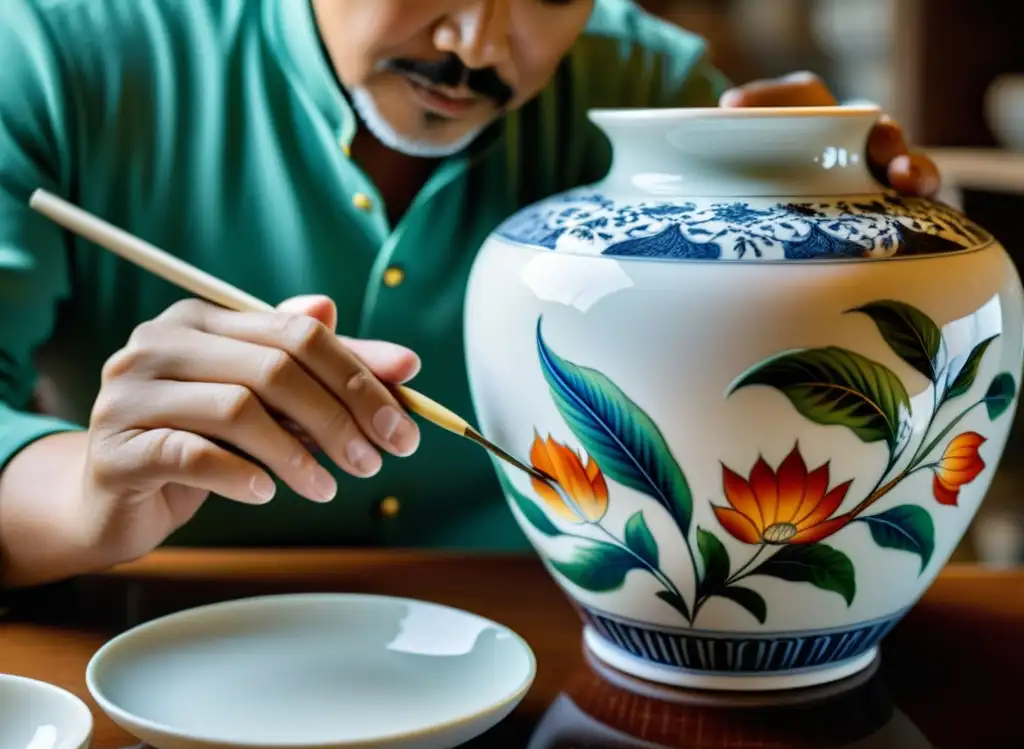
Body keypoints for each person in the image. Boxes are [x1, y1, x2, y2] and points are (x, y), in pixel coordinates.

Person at [0, 0, 940, 589]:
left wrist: (846, 255)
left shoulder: (649, 89)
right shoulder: (55, 50)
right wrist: (89, 492)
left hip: (549, 647)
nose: (478, 42)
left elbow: (749, 419)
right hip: (151, 628)